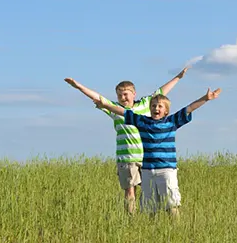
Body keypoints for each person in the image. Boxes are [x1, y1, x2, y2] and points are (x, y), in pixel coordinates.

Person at [64, 66, 189, 214]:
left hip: (146, 158)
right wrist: (78, 86)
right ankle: (132, 218)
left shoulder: (145, 105)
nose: (123, 98)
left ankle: (150, 216)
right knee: (130, 192)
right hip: (126, 158)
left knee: (149, 191)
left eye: (125, 94)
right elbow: (97, 97)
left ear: (133, 93)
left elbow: (162, 92)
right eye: (119, 95)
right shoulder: (114, 109)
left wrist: (178, 77)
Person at [93, 87, 221, 219]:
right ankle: (152, 229)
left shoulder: (171, 121)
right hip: (148, 171)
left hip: (166, 170)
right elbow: (123, 112)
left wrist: (206, 98)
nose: (156, 109)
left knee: (171, 204)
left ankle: (178, 230)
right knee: (149, 206)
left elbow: (189, 108)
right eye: (153, 106)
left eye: (160, 106)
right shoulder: (142, 122)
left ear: (166, 110)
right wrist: (106, 105)